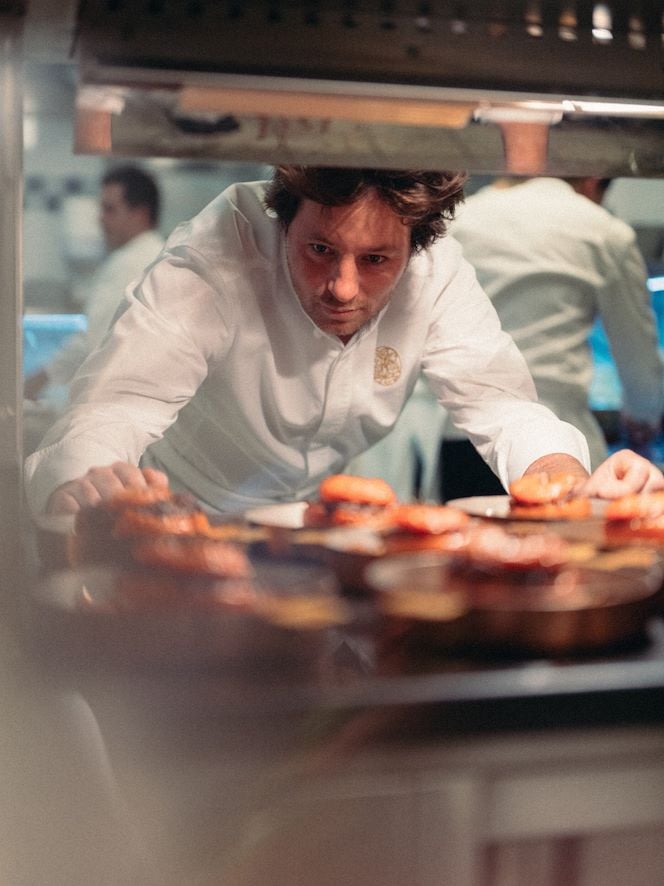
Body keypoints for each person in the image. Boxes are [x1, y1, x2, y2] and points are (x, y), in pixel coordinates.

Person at [24, 167, 664, 518]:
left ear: (416, 246)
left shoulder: (436, 269)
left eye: (378, 258)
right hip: (185, 511)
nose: (343, 287)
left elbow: (504, 406)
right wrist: (87, 483)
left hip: (309, 527)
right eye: (320, 249)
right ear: (284, 220)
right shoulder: (222, 248)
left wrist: (566, 479)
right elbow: (118, 403)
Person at [439, 175, 664, 501]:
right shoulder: (605, 231)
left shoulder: (458, 220)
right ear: (594, 179)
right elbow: (639, 361)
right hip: (562, 432)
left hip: (461, 439)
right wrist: (644, 417)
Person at [24, 165, 164, 402]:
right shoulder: (158, 253)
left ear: (140, 213)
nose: (100, 218)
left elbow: (92, 342)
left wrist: (34, 384)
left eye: (109, 209)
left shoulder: (129, 263)